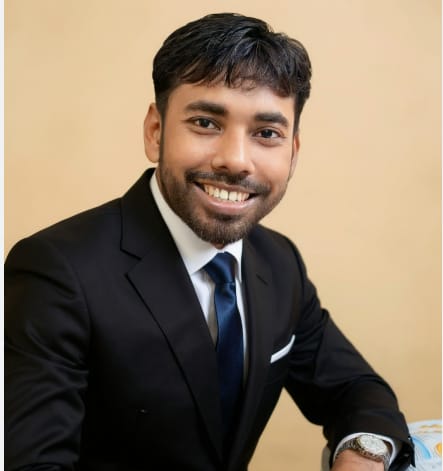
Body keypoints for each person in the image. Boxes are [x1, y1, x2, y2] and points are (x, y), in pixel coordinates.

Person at [5, 12, 415, 471]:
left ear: (293, 152)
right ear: (155, 131)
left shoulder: (279, 262)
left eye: (267, 134)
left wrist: (363, 454)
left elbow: (357, 391)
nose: (236, 161)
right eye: (205, 122)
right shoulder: (55, 271)